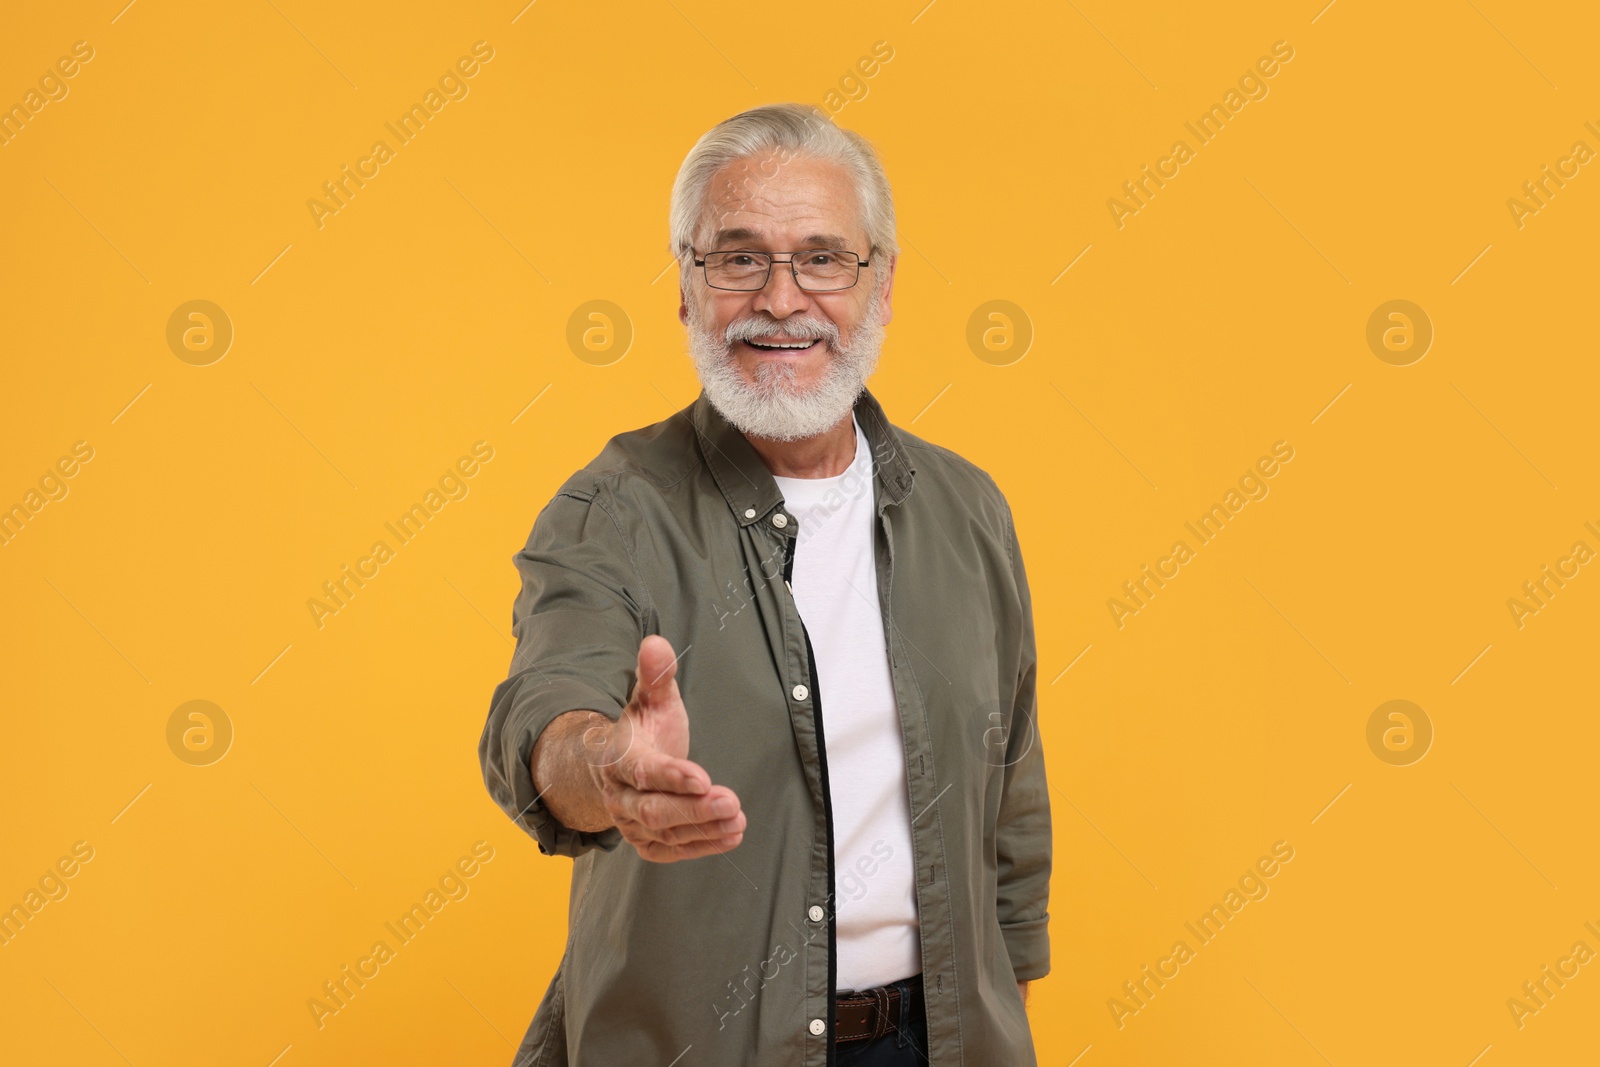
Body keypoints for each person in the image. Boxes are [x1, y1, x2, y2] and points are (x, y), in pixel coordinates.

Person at [479, 101, 1050, 1066]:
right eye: (739, 258)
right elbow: (545, 709)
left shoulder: (967, 509)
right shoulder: (614, 510)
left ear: (882, 283)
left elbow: (1010, 784)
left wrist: (1007, 999)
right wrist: (607, 769)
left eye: (822, 258)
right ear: (686, 286)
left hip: (942, 1039)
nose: (781, 299)